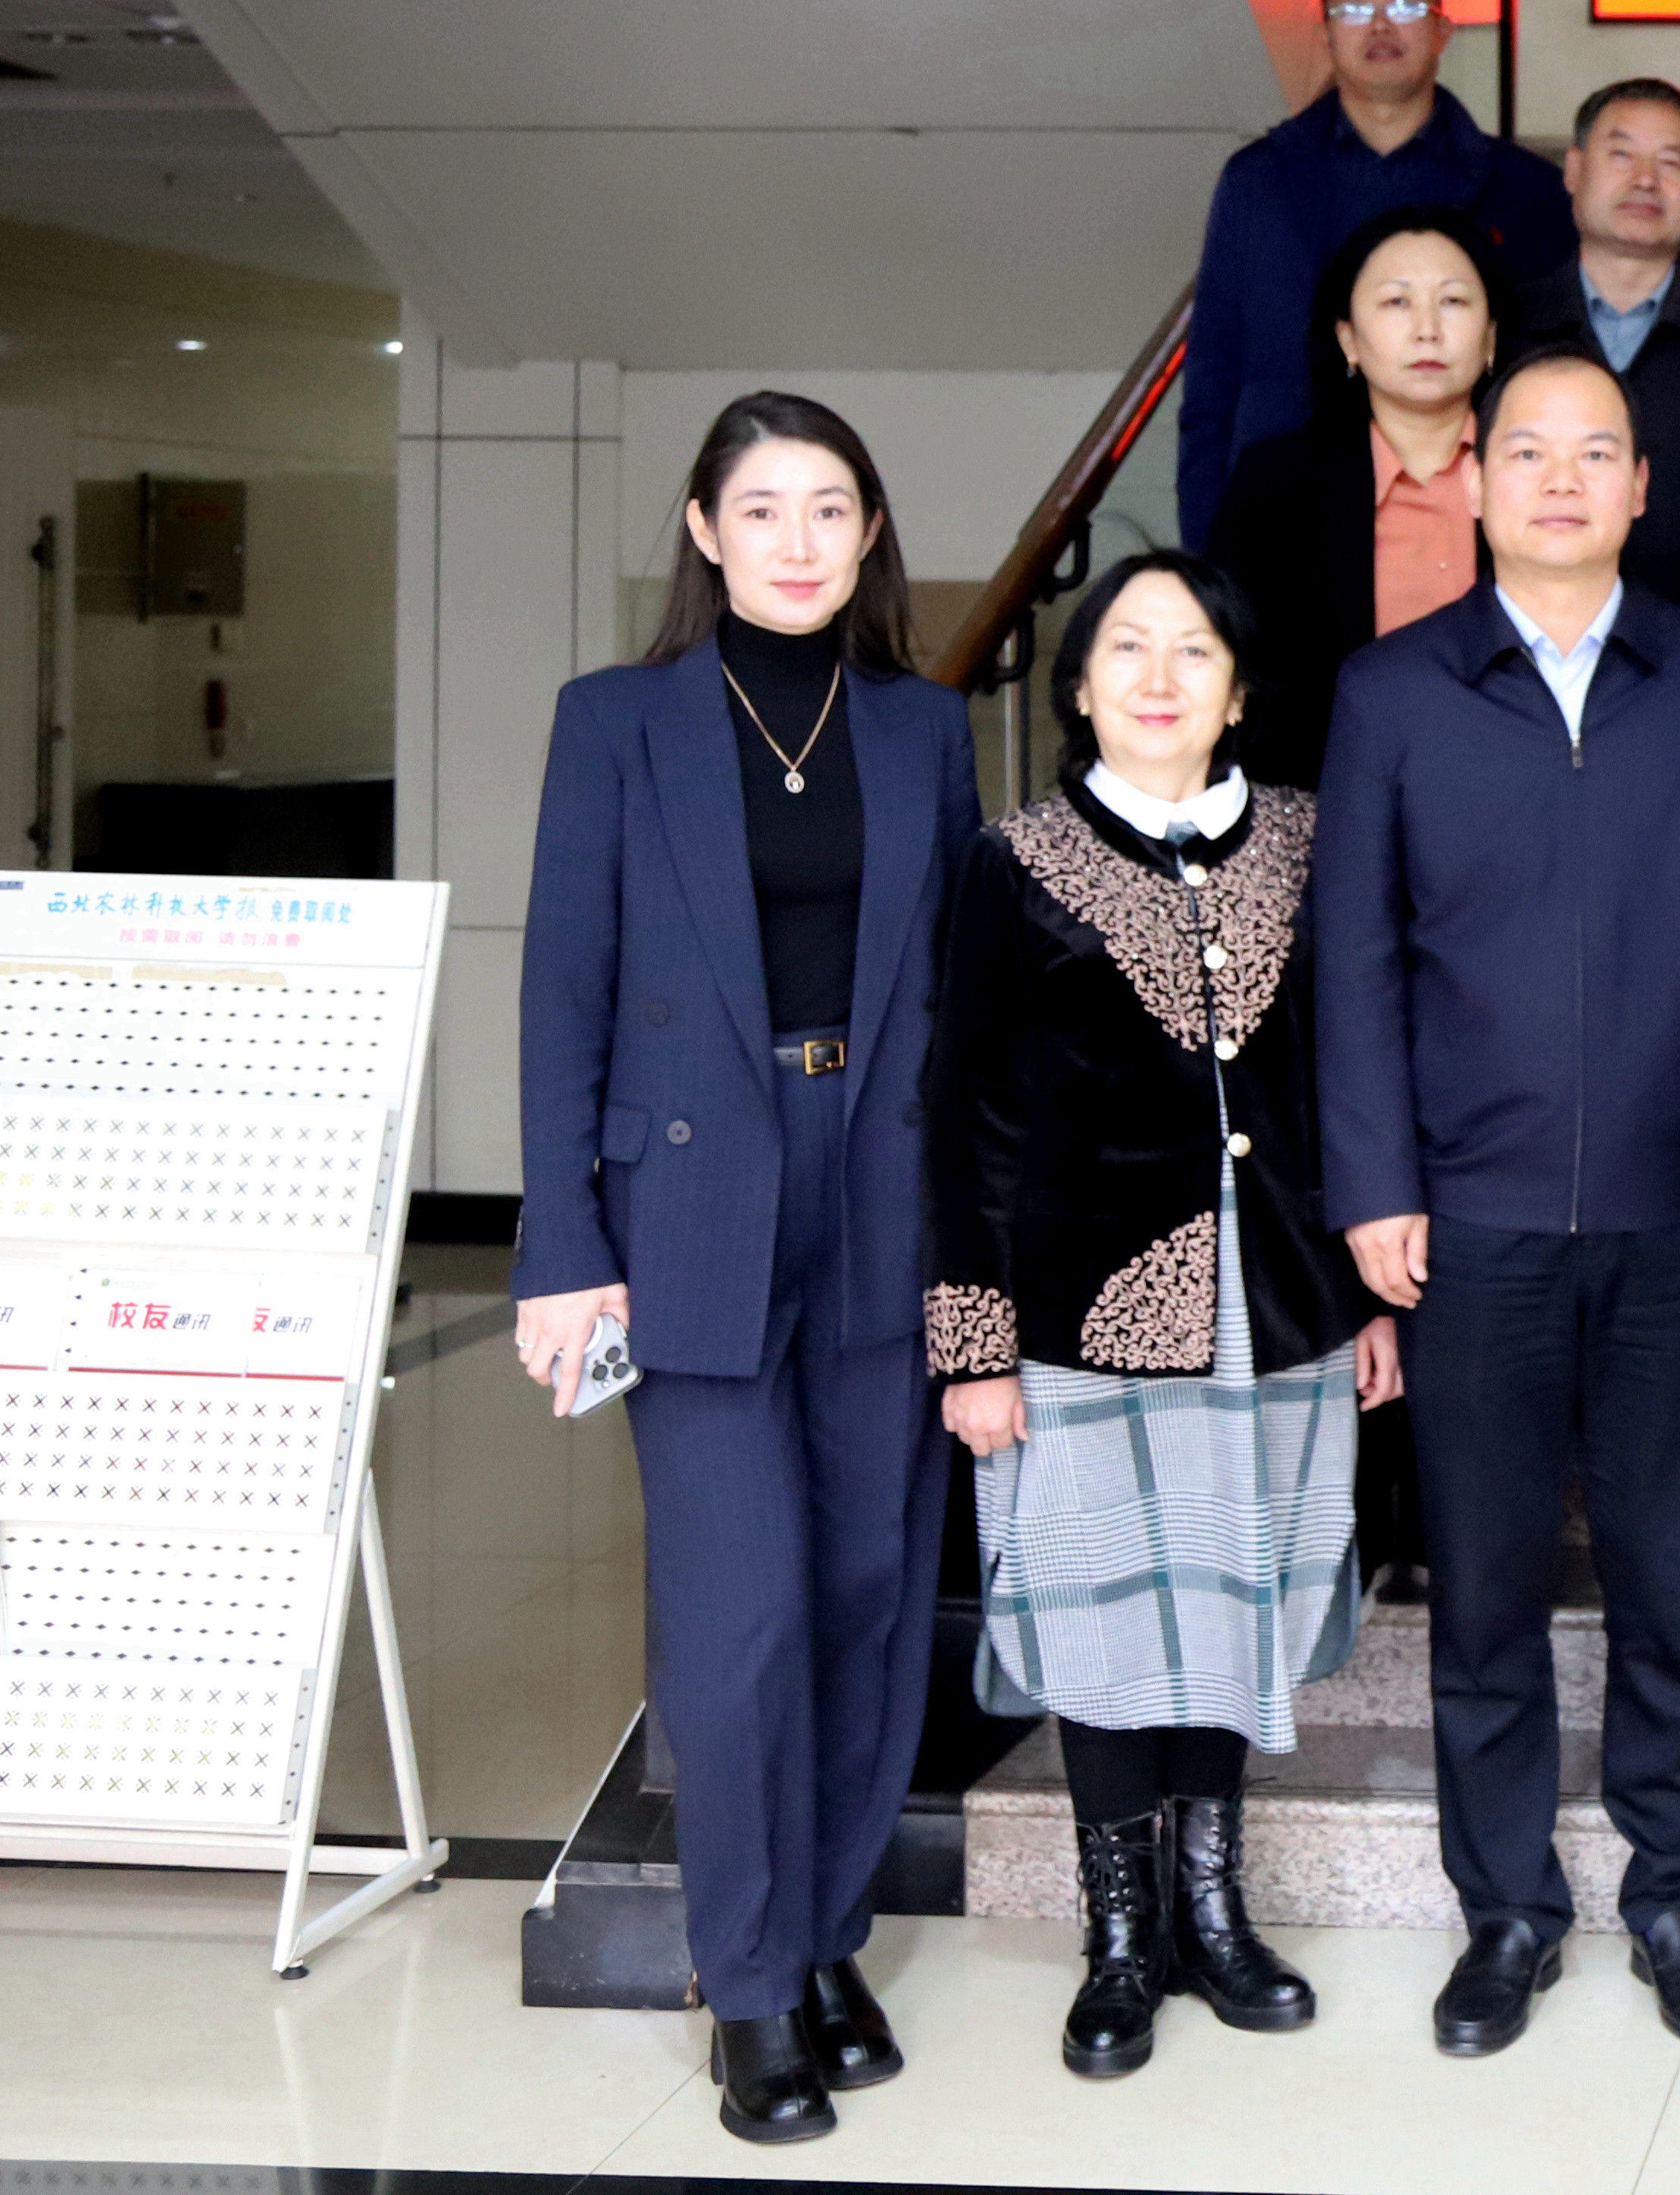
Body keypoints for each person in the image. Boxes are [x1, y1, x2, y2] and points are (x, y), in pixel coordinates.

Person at [516, 395, 980, 2146]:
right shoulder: (617, 720)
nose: (798, 539)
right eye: (762, 507)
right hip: (690, 1201)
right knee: (742, 1611)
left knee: (868, 1589)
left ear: (870, 533)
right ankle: (751, 1978)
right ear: (705, 531)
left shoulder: (924, 727)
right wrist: (561, 1246)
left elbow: (958, 996)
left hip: (883, 1184)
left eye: (830, 507)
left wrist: (980, 1247)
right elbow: (562, 985)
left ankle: (829, 1930)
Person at [1319, 348, 1680, 2060]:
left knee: (1676, 1578)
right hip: (1470, 1220)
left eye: (1599, 453)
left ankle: (1675, 1892)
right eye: (1531, 451)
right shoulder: (1394, 690)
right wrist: (1375, 1183)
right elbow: (1355, 960)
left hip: (1676, 1216)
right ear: (1478, 478)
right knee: (1488, 1589)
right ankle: (1507, 1907)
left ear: (1643, 488)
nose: (1565, 480)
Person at [923, 551, 1404, 2082]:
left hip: (1283, 1300)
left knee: (1231, 1600)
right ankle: (1120, 1934)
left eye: (1193, 650)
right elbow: (970, 1113)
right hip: (1082, 1313)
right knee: (1107, 1619)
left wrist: (1364, 1294)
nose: (1157, 676)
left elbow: (1350, 1078)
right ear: (1077, 686)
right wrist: (972, 1344)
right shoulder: (1016, 860)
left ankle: (1213, 1908)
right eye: (1126, 647)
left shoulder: (1312, 843)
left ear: (1239, 691)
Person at [1180, 0, 1575, 546]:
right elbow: (1212, 383)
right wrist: (1206, 557)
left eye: (1406, 6)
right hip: (1281, 517)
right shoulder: (1259, 182)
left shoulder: (1525, 191)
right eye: (1356, 8)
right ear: (1326, 35)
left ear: (1443, 31)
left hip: (1468, 518)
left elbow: (1552, 378)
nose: (1381, 25)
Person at [1207, 208, 1498, 789]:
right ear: (1348, 339)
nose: (1427, 329)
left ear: (1491, 338)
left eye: (1453, 301)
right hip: (1325, 804)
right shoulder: (1275, 486)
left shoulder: (1540, 476)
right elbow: (1238, 680)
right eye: (1396, 302)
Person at [1504, 78, 1680, 591]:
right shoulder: (1505, 327)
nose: (1645, 180)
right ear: (1574, 170)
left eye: (1670, 162)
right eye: (1621, 156)